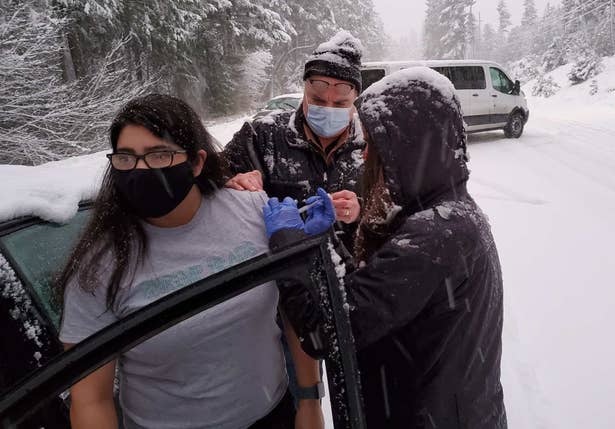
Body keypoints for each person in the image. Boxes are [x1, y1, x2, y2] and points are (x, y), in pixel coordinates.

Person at [57, 94, 324, 429]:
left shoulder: (252, 210)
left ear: (196, 163)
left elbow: (292, 309)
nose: (141, 171)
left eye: (159, 155)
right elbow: (91, 399)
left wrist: (310, 401)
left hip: (273, 416)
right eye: (127, 158)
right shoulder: (100, 267)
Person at [265, 68, 508, 428]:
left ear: (408, 149)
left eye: (374, 148)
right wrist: (325, 245)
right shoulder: (448, 213)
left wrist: (290, 249)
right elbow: (371, 298)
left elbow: (327, 331)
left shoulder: (435, 235)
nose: (365, 159)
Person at [222, 30, 365, 254]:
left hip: (349, 277)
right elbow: (209, 185)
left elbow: (393, 213)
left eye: (340, 104)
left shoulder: (370, 146)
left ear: (355, 99)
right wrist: (233, 183)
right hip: (280, 276)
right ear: (304, 91)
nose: (328, 109)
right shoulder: (262, 136)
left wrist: (360, 211)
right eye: (317, 100)